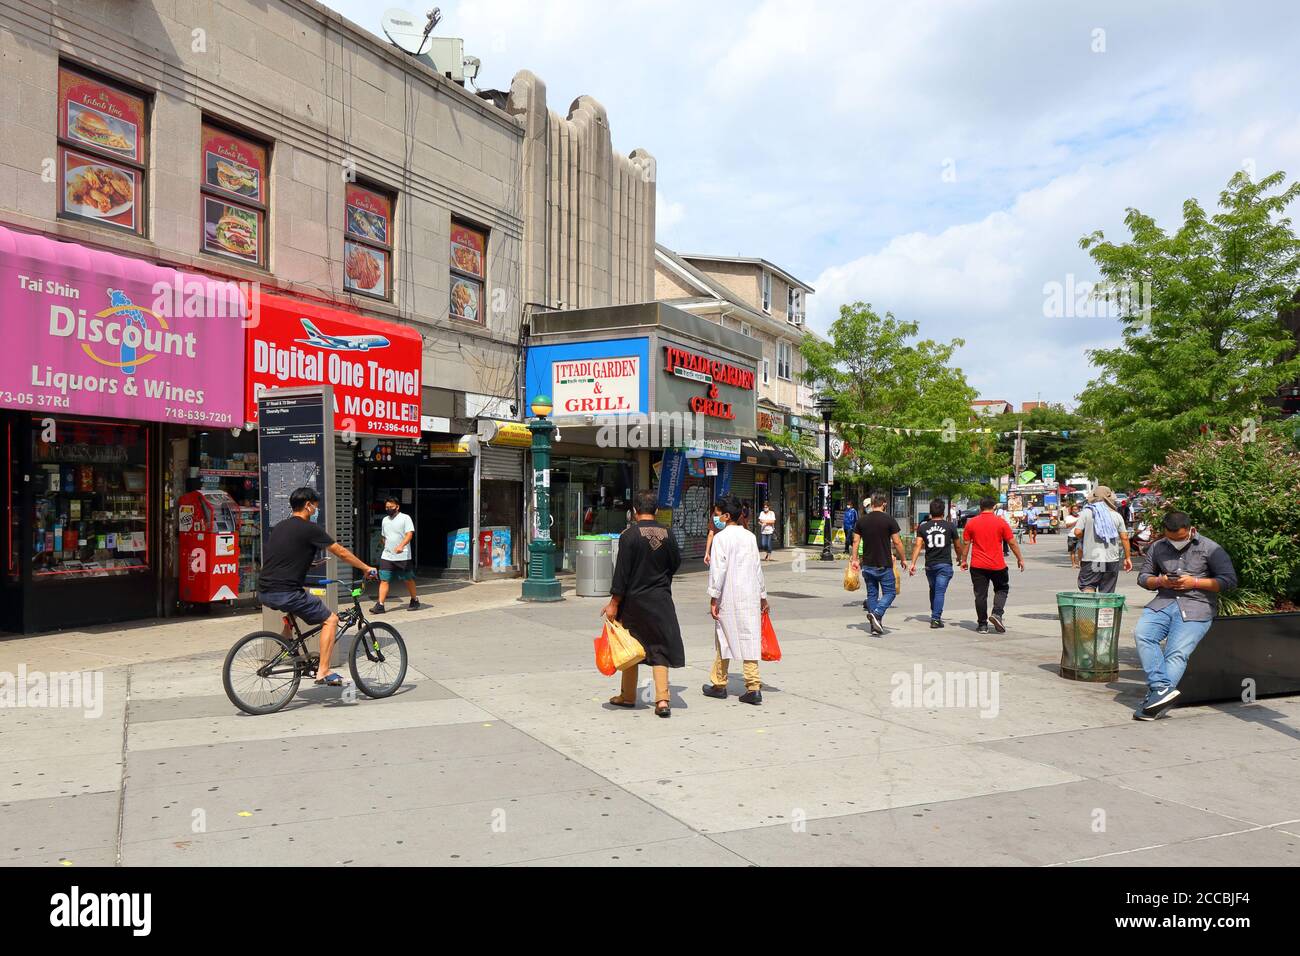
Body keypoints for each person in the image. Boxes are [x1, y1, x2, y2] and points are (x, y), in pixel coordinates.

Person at [258, 486, 377, 686]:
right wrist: (366, 568)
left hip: (265, 591)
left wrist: (309, 563)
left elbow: (282, 555)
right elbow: (341, 552)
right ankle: (323, 670)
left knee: (296, 601)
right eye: (316, 506)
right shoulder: (309, 528)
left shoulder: (280, 526)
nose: (316, 509)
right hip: (287, 592)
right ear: (308, 506)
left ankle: (287, 638)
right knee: (331, 620)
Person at [1131, 511, 1238, 720]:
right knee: (1143, 634)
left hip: (1197, 605)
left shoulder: (1210, 548)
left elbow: (1229, 581)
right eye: (1171, 538)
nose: (1175, 542)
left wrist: (1195, 582)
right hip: (1163, 602)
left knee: (1176, 652)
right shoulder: (1158, 546)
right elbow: (1143, 578)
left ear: (1190, 530)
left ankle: (1154, 702)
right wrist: (1160, 581)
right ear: (1164, 532)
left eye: (1180, 538)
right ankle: (1160, 690)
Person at [602, 490, 685, 718]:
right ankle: (662, 701)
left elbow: (622, 574)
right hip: (660, 600)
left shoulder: (629, 536)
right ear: (656, 510)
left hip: (634, 602)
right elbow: (676, 563)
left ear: (635, 511)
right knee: (660, 649)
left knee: (631, 647)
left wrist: (613, 602)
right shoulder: (668, 533)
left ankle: (628, 696)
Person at [703, 495, 768, 705]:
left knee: (724, 637)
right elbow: (758, 568)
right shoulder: (749, 537)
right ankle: (753, 686)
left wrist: (714, 597)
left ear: (727, 515)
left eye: (718, 513)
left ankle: (719, 683)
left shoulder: (721, 539)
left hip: (728, 596)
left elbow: (718, 570)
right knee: (749, 638)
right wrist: (762, 596)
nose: (716, 517)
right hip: (749, 595)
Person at [961, 496, 1025, 633]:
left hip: (977, 565)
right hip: (997, 565)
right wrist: (1020, 558)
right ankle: (997, 613)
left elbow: (966, 544)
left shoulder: (971, 523)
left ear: (980, 507)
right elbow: (1012, 542)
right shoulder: (1000, 522)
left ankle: (982, 625)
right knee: (1002, 588)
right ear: (994, 507)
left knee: (980, 595)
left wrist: (963, 560)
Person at [850, 493, 908, 635]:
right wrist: (904, 558)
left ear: (872, 504)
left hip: (867, 564)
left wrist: (854, 559)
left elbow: (855, 541)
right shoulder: (889, 520)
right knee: (890, 592)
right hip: (883, 564)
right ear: (884, 504)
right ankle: (877, 614)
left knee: (872, 595)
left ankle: (875, 626)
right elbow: (897, 542)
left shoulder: (862, 521)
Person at [909, 499, 966, 628]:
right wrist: (960, 558)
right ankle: (935, 618)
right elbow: (957, 545)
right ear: (943, 511)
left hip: (930, 565)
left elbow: (918, 545)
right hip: (944, 564)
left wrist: (913, 563)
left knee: (934, 589)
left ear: (930, 511)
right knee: (939, 592)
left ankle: (935, 612)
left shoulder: (923, 527)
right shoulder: (950, 526)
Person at [1073, 485, 1132, 593]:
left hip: (1093, 558)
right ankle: (1106, 609)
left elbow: (1077, 532)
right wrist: (1127, 558)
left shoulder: (1087, 512)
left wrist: (1085, 538)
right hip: (1111, 559)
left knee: (1088, 586)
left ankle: (1090, 609)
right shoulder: (1116, 515)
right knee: (1107, 591)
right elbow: (1124, 537)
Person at [371, 496, 420, 614]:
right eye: (387, 507)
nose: (388, 509)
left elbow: (409, 535)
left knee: (408, 579)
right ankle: (380, 605)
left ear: (397, 507)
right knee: (384, 579)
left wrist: (401, 546)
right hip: (387, 556)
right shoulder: (385, 520)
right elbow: (384, 536)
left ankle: (414, 600)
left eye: (391, 507)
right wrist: (386, 545)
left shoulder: (405, 518)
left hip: (403, 556)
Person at [1063, 503, 1081, 569]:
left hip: (1080, 535)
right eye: (1073, 509)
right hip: (1071, 535)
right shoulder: (1068, 517)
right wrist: (1076, 522)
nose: (1075, 510)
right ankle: (1073, 564)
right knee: (1072, 551)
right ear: (1071, 510)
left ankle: (1079, 563)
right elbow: (1067, 526)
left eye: (1076, 509)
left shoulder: (1081, 516)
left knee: (1080, 550)